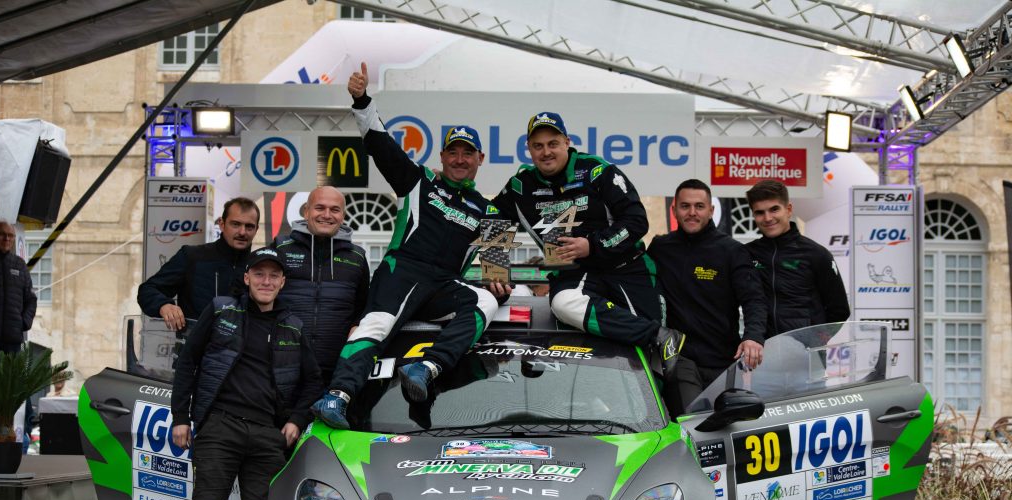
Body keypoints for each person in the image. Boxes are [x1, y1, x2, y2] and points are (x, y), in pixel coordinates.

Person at [313, 62, 499, 428]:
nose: (460, 159)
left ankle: (428, 367)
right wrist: (362, 100)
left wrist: (507, 281)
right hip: (403, 272)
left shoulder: (490, 211)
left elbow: (498, 272)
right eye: (453, 152)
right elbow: (380, 145)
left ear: (480, 159)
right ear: (443, 157)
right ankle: (337, 396)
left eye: (468, 153)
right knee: (376, 325)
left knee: (487, 300)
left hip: (442, 287)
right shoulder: (419, 181)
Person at [167, 247, 322, 500]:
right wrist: (181, 418)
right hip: (219, 424)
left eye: (274, 275)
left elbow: (312, 382)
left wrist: (295, 419)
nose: (266, 281)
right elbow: (188, 363)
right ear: (248, 278)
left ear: (282, 282)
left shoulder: (293, 326)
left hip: (267, 433)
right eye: (260, 274)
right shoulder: (221, 313)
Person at [490, 112, 679, 371]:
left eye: (553, 143)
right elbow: (492, 219)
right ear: (529, 150)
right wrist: (495, 272)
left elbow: (636, 221)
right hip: (573, 273)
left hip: (626, 268)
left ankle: (659, 346)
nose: (546, 152)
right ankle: (655, 335)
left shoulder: (597, 170)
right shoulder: (520, 186)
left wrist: (593, 245)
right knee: (562, 303)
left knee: (655, 362)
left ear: (567, 142)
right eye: (538, 146)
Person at [745, 179, 851, 500]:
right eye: (759, 213)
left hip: (808, 374)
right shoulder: (749, 256)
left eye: (773, 210)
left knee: (809, 464)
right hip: (765, 377)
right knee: (771, 466)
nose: (767, 218)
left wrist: (809, 347)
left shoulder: (816, 256)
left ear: (789, 209)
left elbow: (839, 312)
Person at [648, 179, 767, 418]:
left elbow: (754, 299)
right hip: (680, 358)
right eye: (685, 206)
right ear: (674, 210)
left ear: (711, 210)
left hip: (724, 360)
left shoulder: (732, 250)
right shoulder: (661, 248)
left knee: (727, 425)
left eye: (699, 206)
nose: (692, 213)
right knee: (693, 423)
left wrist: (753, 337)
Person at [273, 186, 370, 382]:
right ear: (306, 211)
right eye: (319, 208)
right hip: (284, 363)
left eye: (334, 209)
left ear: (342, 215)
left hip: (336, 369)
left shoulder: (357, 257)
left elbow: (363, 307)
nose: (327, 215)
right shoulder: (280, 247)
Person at [137, 197, 260, 332]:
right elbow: (147, 290)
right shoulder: (192, 256)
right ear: (222, 224)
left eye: (249, 226)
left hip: (243, 351)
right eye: (235, 224)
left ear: (256, 229)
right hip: (194, 350)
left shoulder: (260, 265)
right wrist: (163, 305)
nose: (242, 232)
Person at [0, 220, 37, 354]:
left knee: (12, 376)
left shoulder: (19, 264)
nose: (6, 239)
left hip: (13, 341)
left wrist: (24, 323)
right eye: (2, 234)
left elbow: (31, 299)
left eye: (11, 235)